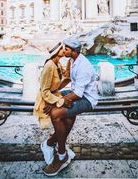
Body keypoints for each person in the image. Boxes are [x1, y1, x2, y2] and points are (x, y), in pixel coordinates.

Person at [42, 37, 98, 177]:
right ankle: (53, 144)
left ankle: (61, 156)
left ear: (74, 51)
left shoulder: (83, 66)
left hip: (87, 99)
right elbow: (68, 80)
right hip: (77, 93)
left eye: (66, 49)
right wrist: (54, 94)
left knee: (56, 114)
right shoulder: (73, 60)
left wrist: (56, 101)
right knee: (66, 119)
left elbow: (78, 94)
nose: (63, 50)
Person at [33, 42, 73, 161]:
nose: (64, 50)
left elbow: (65, 78)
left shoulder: (57, 63)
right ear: (57, 52)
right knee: (65, 122)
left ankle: (53, 143)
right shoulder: (49, 66)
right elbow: (44, 91)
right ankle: (49, 144)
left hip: (54, 96)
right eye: (62, 49)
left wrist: (70, 62)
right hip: (46, 100)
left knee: (69, 121)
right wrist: (58, 101)